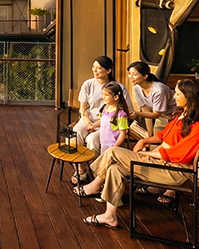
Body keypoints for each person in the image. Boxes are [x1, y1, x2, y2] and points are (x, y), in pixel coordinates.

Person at [74, 78, 199, 229]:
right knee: (114, 169)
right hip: (161, 162)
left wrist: (147, 154)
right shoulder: (181, 115)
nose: (173, 97)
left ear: (189, 96)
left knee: (113, 152)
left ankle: (93, 181)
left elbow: (177, 154)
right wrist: (144, 141)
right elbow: (163, 135)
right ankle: (110, 216)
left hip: (172, 171)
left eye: (177, 94)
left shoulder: (196, 125)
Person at [71, 56, 131, 185]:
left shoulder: (118, 87)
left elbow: (128, 110)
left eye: (99, 68)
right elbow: (83, 108)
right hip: (89, 119)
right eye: (93, 67)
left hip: (107, 124)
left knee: (92, 140)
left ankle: (96, 172)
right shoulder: (88, 84)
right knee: (75, 133)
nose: (95, 70)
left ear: (108, 70)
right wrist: (88, 122)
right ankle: (81, 169)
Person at [127, 60, 176, 135]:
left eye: (134, 74)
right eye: (129, 73)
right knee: (154, 139)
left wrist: (136, 113)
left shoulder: (158, 90)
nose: (131, 77)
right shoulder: (136, 87)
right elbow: (146, 112)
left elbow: (156, 114)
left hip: (174, 116)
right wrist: (149, 135)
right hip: (161, 117)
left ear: (145, 76)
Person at [98, 82, 130, 154]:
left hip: (113, 146)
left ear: (115, 97)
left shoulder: (121, 114)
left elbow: (123, 133)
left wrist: (115, 147)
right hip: (103, 143)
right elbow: (102, 121)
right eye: (102, 94)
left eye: (106, 95)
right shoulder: (105, 108)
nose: (103, 97)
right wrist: (93, 125)